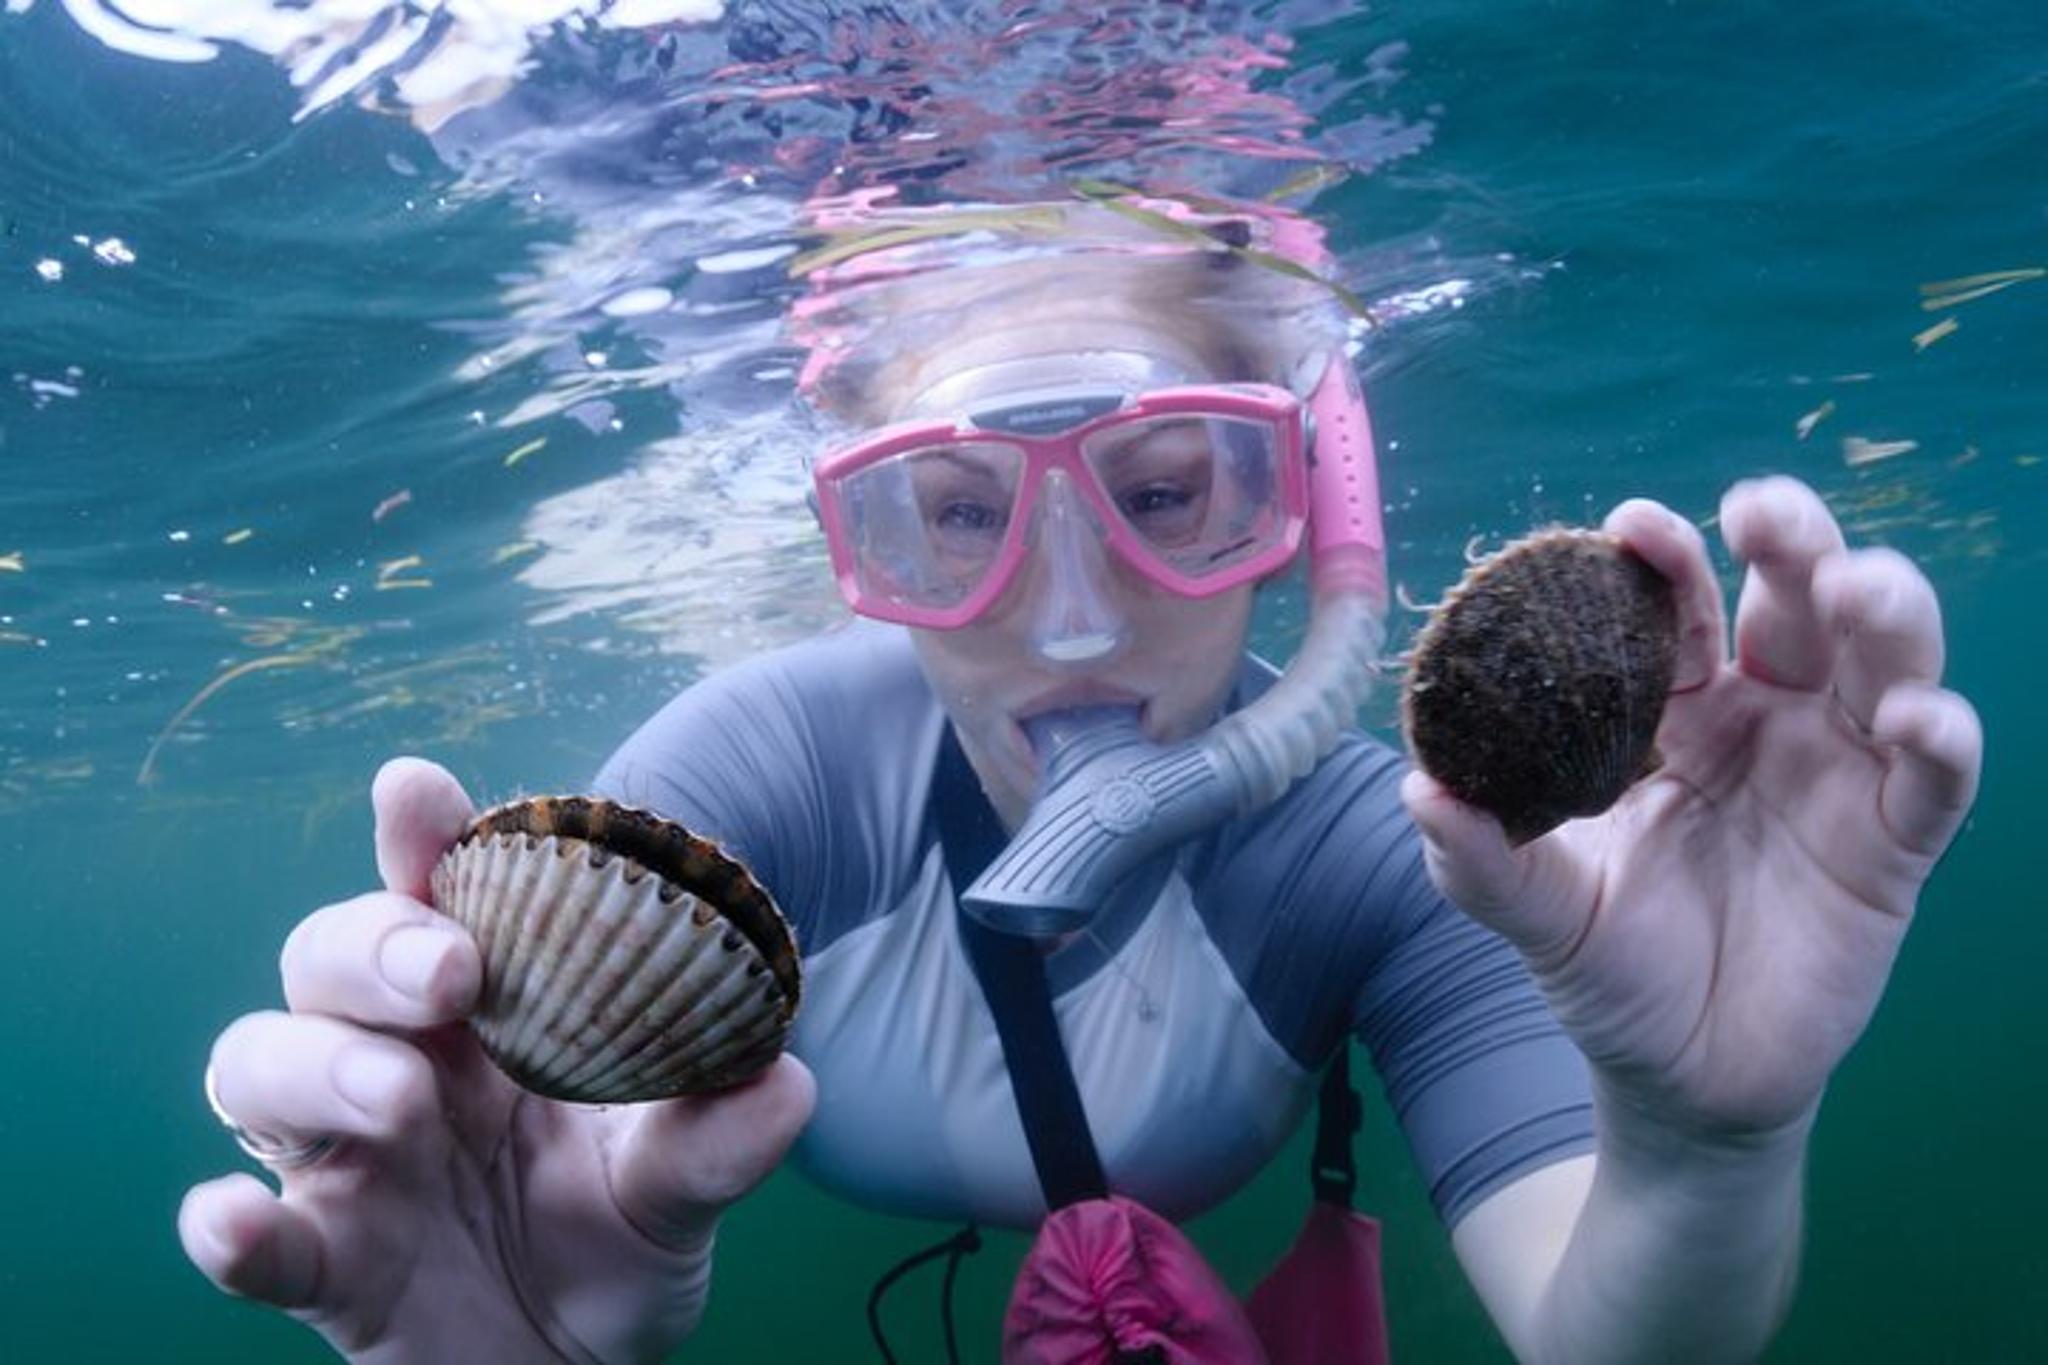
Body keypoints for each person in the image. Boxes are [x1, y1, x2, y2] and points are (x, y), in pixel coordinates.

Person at [179, 195, 1982, 1365]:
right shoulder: (775, 763)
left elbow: (1605, 1335)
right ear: (863, 537)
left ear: (1300, 518)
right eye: (957, 515)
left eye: (1168, 489)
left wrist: (1700, 1145)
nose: (1063, 615)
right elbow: (520, 1116)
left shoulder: (1386, 855)